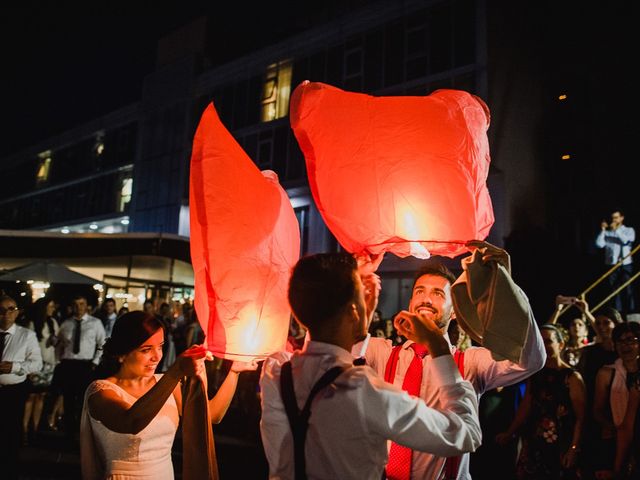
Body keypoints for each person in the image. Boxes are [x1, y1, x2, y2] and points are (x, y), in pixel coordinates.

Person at [260, 252, 482, 480]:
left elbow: (329, 367)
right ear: (354, 312)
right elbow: (465, 434)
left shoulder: (276, 372)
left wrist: (356, 320)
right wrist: (440, 349)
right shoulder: (366, 392)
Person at [358, 240, 546, 479]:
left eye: (437, 293)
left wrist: (507, 289)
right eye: (419, 292)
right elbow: (333, 343)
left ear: (455, 310)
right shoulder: (384, 353)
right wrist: (356, 278)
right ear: (410, 303)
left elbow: (531, 360)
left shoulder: (469, 362)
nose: (426, 299)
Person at [80, 310, 257, 479]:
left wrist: (234, 372)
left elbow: (211, 416)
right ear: (121, 354)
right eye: (146, 349)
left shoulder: (166, 384)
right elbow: (132, 421)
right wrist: (175, 372)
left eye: (161, 346)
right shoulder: (101, 391)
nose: (157, 356)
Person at [496, 324, 586, 479]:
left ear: (561, 344)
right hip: (534, 442)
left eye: (549, 341)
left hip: (561, 443)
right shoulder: (537, 374)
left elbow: (581, 417)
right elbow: (526, 406)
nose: (545, 346)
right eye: (541, 342)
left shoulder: (572, 378)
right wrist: (510, 431)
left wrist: (574, 448)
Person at [576, 306, 624, 479]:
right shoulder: (589, 353)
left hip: (620, 410)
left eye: (607, 323)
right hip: (594, 412)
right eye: (598, 323)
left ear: (617, 324)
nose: (602, 327)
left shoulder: (623, 354)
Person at [0, 295, 43, 480]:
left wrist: (15, 367)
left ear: (17, 312)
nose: (6, 314)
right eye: (1, 310)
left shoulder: (26, 335)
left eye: (11, 309)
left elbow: (36, 364)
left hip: (13, 392)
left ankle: (9, 470)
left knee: (10, 433)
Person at [54, 295, 106, 442]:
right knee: (68, 400)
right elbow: (59, 343)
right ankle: (69, 433)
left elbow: (102, 344)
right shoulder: (66, 323)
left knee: (83, 401)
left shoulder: (95, 323)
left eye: (81, 304)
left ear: (86, 306)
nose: (79, 307)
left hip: (85, 365)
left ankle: (82, 433)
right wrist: (59, 360)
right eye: (76, 304)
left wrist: (95, 362)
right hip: (69, 364)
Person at [592, 322, 640, 478]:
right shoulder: (607, 373)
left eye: (630, 340)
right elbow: (598, 410)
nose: (625, 345)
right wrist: (612, 427)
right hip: (616, 438)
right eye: (620, 341)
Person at [22, 297, 59, 444]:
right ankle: (24, 429)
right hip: (36, 363)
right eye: (50, 306)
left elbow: (56, 341)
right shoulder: (32, 323)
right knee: (30, 396)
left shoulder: (53, 322)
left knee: (41, 396)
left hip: (49, 363)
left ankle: (35, 428)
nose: (52, 309)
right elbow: (27, 346)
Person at [596, 210, 636, 314]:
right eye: (612, 218)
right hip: (611, 265)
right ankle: (617, 312)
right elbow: (599, 244)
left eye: (616, 217)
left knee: (627, 289)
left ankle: (630, 312)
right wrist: (603, 230)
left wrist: (617, 230)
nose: (613, 220)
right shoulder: (607, 232)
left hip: (626, 264)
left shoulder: (629, 230)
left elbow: (626, 242)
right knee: (613, 290)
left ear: (622, 218)